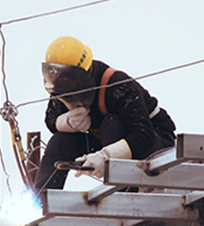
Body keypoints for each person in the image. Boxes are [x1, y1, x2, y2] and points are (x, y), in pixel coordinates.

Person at [32, 36, 176, 192]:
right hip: (104, 141)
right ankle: (41, 202)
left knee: (111, 123)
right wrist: (66, 122)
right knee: (61, 140)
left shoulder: (117, 86)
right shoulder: (61, 88)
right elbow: (50, 119)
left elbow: (143, 136)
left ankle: (126, 195)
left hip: (154, 141)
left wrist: (105, 156)